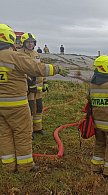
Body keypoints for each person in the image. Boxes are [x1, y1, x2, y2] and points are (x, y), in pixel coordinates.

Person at [0, 24, 68, 173]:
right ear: (9, 37)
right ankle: (25, 166)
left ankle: (8, 166)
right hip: (16, 104)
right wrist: (56, 69)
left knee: (4, 135)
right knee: (22, 133)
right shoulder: (13, 56)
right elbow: (36, 68)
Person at [18, 33, 48, 137]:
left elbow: (40, 68)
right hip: (28, 89)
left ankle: (37, 128)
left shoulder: (36, 53)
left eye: (32, 42)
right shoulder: (19, 54)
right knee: (29, 110)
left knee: (38, 108)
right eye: (28, 42)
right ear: (23, 43)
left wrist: (45, 82)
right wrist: (30, 84)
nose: (30, 44)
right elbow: (21, 71)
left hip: (38, 89)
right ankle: (29, 131)